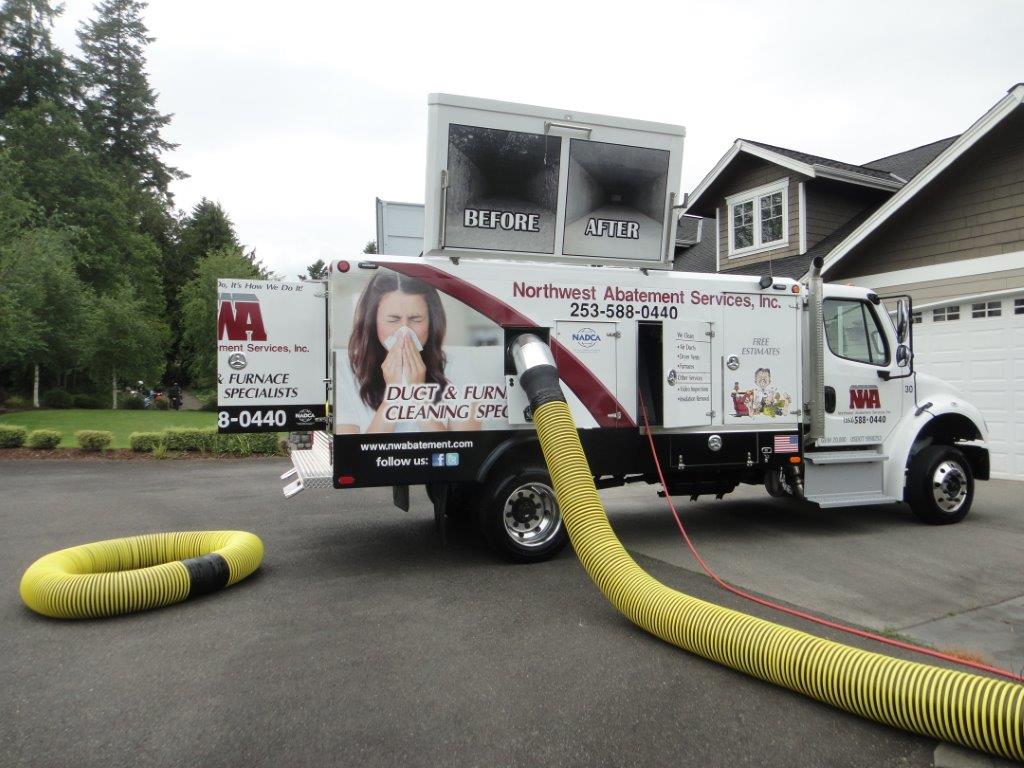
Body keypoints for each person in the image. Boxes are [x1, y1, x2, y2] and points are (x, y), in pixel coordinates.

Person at [337, 270, 480, 434]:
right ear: (372, 323)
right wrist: (394, 395)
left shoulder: (457, 367)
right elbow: (354, 456)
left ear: (432, 322)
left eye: (416, 319)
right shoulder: (344, 370)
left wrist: (418, 396)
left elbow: (463, 452)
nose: (404, 331)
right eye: (393, 319)